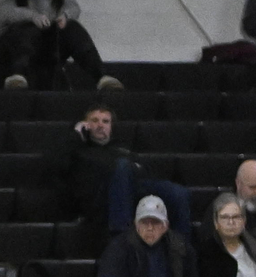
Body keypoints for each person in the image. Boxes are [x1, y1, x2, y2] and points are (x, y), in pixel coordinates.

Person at [63, 100, 190, 238]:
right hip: (102, 199)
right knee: (123, 166)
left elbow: (145, 170)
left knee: (178, 193)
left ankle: (182, 246)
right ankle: (121, 237)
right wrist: (76, 135)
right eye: (95, 120)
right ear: (86, 125)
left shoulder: (121, 149)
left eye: (105, 121)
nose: (100, 125)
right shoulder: (79, 150)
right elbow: (52, 164)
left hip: (133, 189)